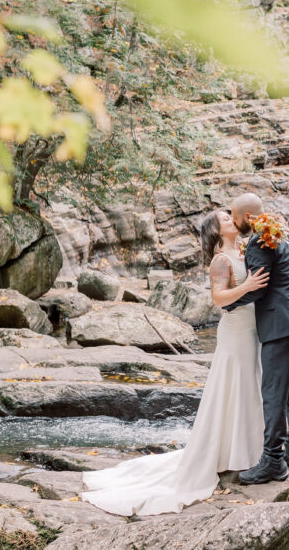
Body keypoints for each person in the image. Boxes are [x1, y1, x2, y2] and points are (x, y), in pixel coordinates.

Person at [80, 209, 269, 516]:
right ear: (217, 232)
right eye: (224, 219)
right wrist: (248, 287)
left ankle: (247, 450)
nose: (231, 219)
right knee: (234, 385)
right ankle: (227, 456)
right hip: (235, 331)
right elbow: (219, 299)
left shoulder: (244, 250)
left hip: (252, 330)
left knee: (249, 386)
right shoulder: (220, 260)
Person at [222, 193, 289, 485]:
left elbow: (259, 287)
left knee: (274, 394)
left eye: (234, 216)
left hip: (280, 326)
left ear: (246, 217)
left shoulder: (259, 242)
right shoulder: (280, 233)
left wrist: (229, 303)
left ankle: (273, 461)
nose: (234, 222)